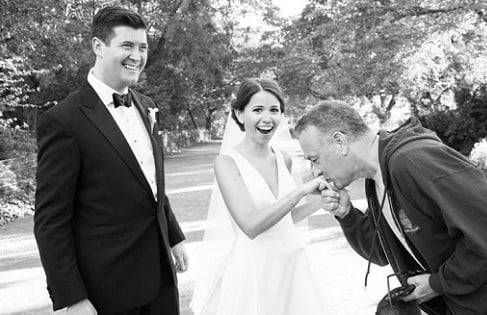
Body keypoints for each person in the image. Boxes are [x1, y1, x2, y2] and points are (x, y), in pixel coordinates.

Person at [294, 100, 487, 315]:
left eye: (315, 159)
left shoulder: (412, 160)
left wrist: (436, 283)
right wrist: (347, 214)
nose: (316, 171)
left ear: (340, 142)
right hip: (473, 305)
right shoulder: (378, 178)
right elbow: (383, 252)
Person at [34, 6, 188, 315]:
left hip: (161, 281)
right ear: (98, 47)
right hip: (106, 290)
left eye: (142, 47)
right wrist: (72, 297)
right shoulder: (63, 120)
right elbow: (51, 221)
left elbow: (150, 185)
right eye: (127, 46)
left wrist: (174, 237)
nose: (137, 55)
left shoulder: (147, 106)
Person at [190, 78, 330, 315]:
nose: (267, 118)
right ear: (239, 114)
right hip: (254, 270)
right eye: (257, 110)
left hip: (292, 265)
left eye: (274, 110)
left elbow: (287, 217)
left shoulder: (283, 158)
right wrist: (300, 192)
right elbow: (251, 225)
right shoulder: (227, 163)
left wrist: (322, 199)